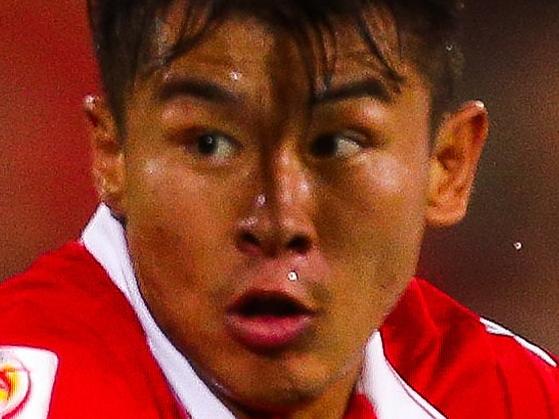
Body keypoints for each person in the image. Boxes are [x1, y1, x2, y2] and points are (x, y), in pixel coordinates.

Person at [0, 0, 557, 417]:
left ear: (448, 164)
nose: (277, 221)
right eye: (210, 144)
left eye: (337, 144)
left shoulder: (513, 399)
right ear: (113, 153)